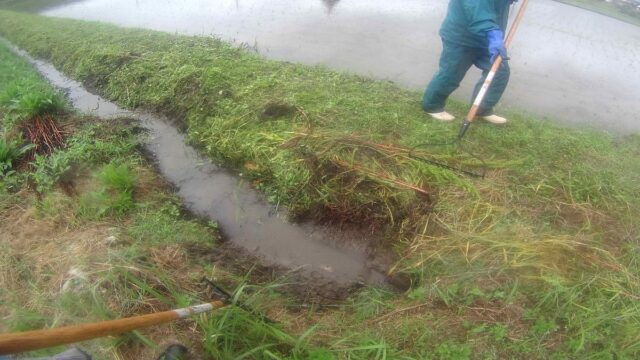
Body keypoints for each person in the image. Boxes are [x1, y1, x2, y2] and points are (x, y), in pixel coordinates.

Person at [422, 0, 515, 124]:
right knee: (451, 73)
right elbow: (476, 8)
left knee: (499, 72)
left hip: (486, 38)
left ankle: (482, 109)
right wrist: (492, 34)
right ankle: (432, 106)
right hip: (462, 36)